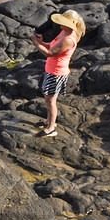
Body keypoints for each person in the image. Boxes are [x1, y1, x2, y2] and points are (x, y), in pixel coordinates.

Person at [30, 9, 84, 138]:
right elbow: (51, 46)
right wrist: (42, 42)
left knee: (50, 100)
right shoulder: (64, 32)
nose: (60, 24)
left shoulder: (69, 39)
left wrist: (35, 42)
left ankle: (51, 128)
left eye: (63, 22)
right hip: (51, 70)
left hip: (57, 73)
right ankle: (48, 121)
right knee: (48, 97)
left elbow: (50, 53)